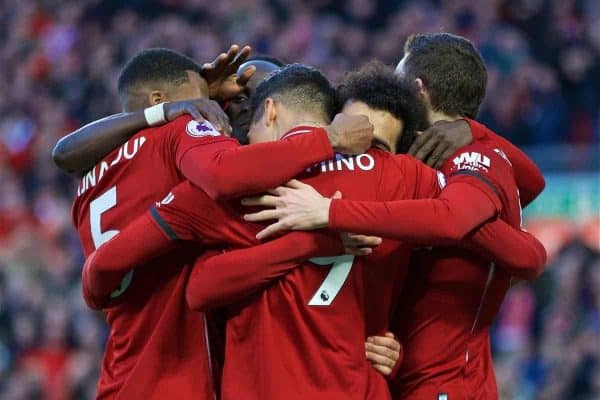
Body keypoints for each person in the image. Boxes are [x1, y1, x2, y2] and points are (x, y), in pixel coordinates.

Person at [81, 63, 544, 399]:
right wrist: (475, 133)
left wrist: (325, 220)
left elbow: (191, 288)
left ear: (271, 112)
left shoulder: (238, 192)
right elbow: (526, 252)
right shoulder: (405, 180)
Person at [242, 34, 547, 400]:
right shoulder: (426, 163)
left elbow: (509, 239)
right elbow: (531, 186)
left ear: (416, 89)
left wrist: (331, 212)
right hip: (402, 375)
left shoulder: (464, 162)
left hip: (446, 385)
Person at [69, 46, 374, 400]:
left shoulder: (90, 183)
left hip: (123, 378)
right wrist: (330, 142)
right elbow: (223, 178)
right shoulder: (189, 146)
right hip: (180, 379)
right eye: (215, 99)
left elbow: (96, 277)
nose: (231, 108)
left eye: (254, 98)